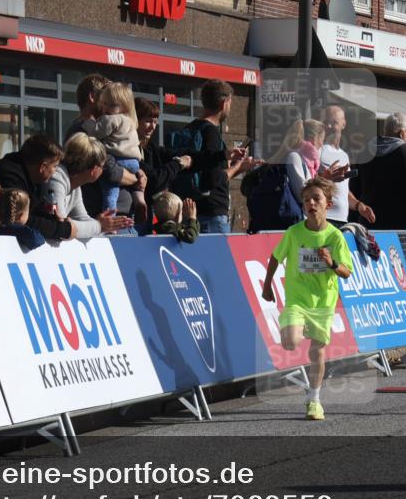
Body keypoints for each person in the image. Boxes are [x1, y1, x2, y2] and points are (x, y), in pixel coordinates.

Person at [261, 177, 353, 421]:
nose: (311, 203)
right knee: (290, 341)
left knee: (318, 354)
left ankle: (314, 400)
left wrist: (331, 263)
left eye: (316, 199)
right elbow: (275, 258)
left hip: (323, 302)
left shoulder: (335, 237)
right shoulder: (294, 232)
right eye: (306, 200)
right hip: (297, 300)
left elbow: (346, 271)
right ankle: (296, 333)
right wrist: (268, 285)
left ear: (328, 204)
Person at [173, 79, 253, 234]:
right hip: (212, 214)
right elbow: (214, 179)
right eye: (230, 103)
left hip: (191, 211)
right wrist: (239, 166)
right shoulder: (211, 133)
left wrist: (233, 165)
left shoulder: (190, 128)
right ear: (224, 104)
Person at [66, 74, 143, 231]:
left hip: (119, 218)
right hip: (105, 219)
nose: (109, 105)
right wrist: (135, 179)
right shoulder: (83, 132)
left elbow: (121, 157)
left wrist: (140, 172)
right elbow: (111, 170)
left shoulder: (106, 127)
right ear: (93, 97)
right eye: (106, 99)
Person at [41, 133, 135, 238]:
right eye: (103, 166)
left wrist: (102, 225)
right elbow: (61, 227)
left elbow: (82, 219)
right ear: (94, 170)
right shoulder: (56, 178)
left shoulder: (75, 185)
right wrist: (99, 225)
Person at [357, 112, 406, 233]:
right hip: (400, 224)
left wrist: (355, 212)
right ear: (402, 133)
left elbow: (354, 184)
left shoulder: (365, 151)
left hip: (368, 221)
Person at [83, 82, 146, 225]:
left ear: (123, 106)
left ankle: (110, 214)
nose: (105, 108)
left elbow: (96, 133)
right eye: (104, 104)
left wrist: (88, 123)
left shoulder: (110, 119)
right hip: (134, 163)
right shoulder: (131, 122)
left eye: (110, 105)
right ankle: (139, 200)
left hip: (118, 159)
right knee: (138, 185)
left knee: (110, 190)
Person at [136, 97, 192, 234]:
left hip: (145, 214)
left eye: (155, 122)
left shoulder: (151, 149)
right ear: (135, 120)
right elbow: (154, 179)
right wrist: (179, 164)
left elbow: (183, 155)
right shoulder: (128, 149)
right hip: (133, 216)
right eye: (148, 121)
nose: (152, 126)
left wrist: (222, 154)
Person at [320, 105, 374, 226]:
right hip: (323, 219)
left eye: (333, 122)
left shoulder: (344, 155)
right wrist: (326, 178)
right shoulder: (318, 151)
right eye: (325, 122)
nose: (328, 126)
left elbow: (344, 191)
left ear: (343, 124)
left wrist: (359, 205)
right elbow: (308, 185)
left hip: (342, 219)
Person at [283, 119, 326, 201]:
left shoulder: (311, 162)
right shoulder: (295, 157)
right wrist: (326, 181)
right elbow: (302, 196)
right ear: (314, 139)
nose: (322, 144)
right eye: (322, 140)